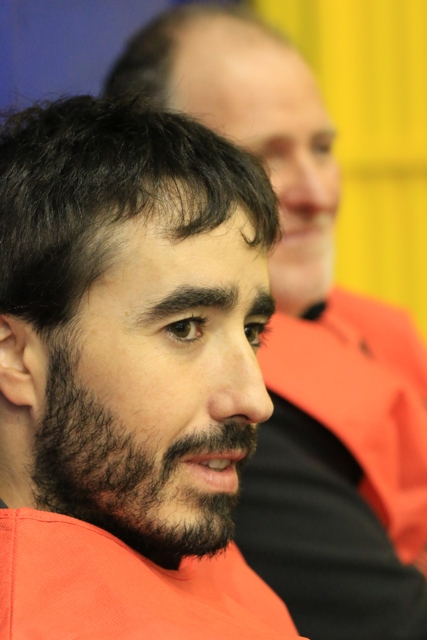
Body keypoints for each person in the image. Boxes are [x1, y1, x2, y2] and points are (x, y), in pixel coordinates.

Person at [104, 5, 427, 639]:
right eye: (264, 157)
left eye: (322, 148)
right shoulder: (218, 416)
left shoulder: (374, 327)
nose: (317, 192)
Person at [0, 95, 307, 639]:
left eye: (252, 331)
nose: (255, 400)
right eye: (185, 328)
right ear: (15, 358)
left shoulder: (162, 540)